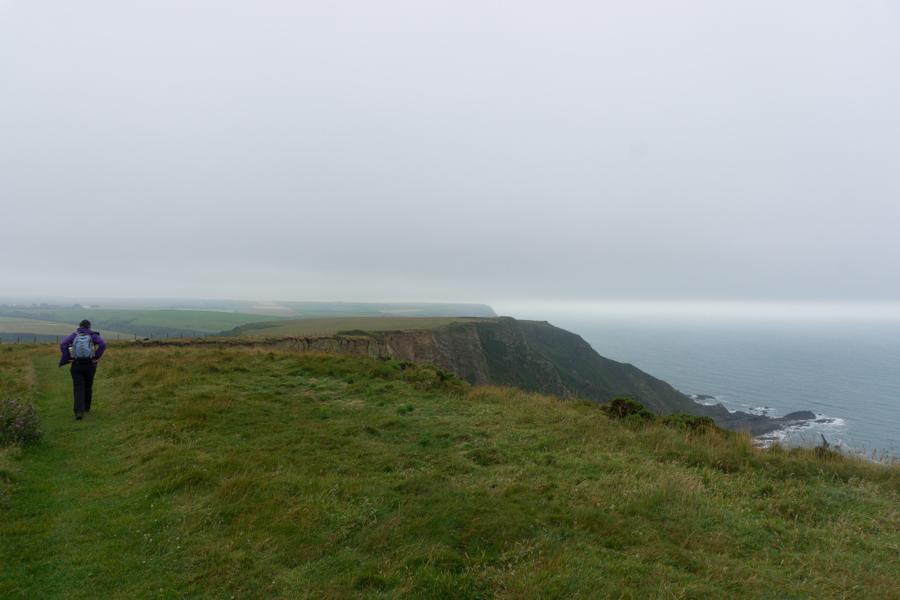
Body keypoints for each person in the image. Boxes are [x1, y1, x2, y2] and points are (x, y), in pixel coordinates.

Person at [59, 320, 106, 420]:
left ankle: (78, 412)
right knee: (88, 386)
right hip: (90, 365)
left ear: (79, 326)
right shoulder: (93, 336)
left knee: (78, 387)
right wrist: (96, 357)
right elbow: (103, 344)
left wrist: (68, 357)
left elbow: (63, 344)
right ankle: (86, 408)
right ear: (89, 326)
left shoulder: (74, 336)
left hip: (77, 365)